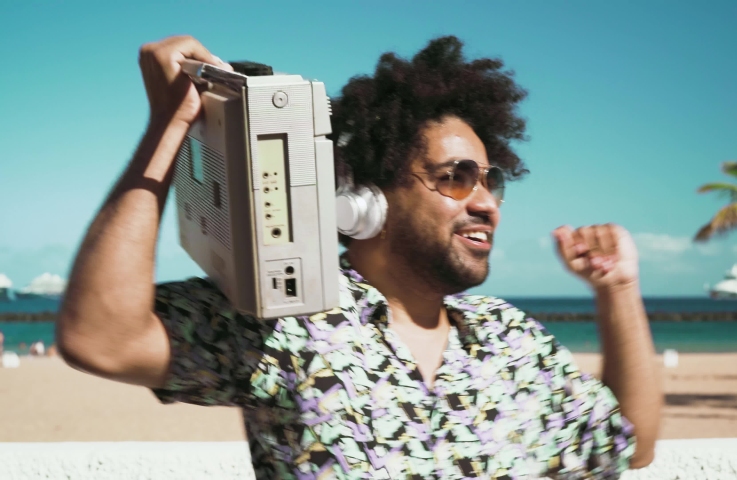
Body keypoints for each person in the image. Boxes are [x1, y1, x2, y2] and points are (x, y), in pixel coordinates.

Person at [57, 35, 661, 479]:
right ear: (365, 200)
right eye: (456, 177)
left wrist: (619, 291)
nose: (487, 204)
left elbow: (626, 444)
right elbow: (100, 337)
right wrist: (171, 127)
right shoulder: (285, 323)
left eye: (491, 180)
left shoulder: (515, 340)